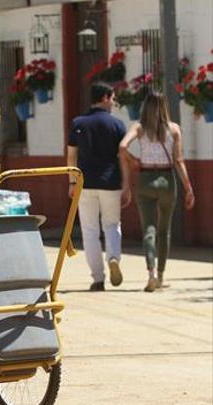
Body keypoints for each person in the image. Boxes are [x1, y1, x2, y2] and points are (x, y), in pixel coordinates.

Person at [119, 92, 195, 292]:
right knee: (164, 230)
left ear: (146, 106)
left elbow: (122, 146)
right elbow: (179, 161)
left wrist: (134, 160)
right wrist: (188, 187)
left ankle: (150, 272)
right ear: (164, 106)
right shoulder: (174, 129)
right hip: (167, 180)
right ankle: (161, 275)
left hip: (145, 179)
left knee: (149, 230)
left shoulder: (139, 127)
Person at [67, 82, 129, 292]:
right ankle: (113, 258)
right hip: (111, 182)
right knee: (111, 224)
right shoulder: (118, 125)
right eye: (112, 98)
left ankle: (97, 278)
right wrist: (126, 183)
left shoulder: (78, 123)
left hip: (84, 183)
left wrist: (72, 182)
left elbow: (71, 155)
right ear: (104, 98)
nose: (113, 103)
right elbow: (123, 157)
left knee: (89, 230)